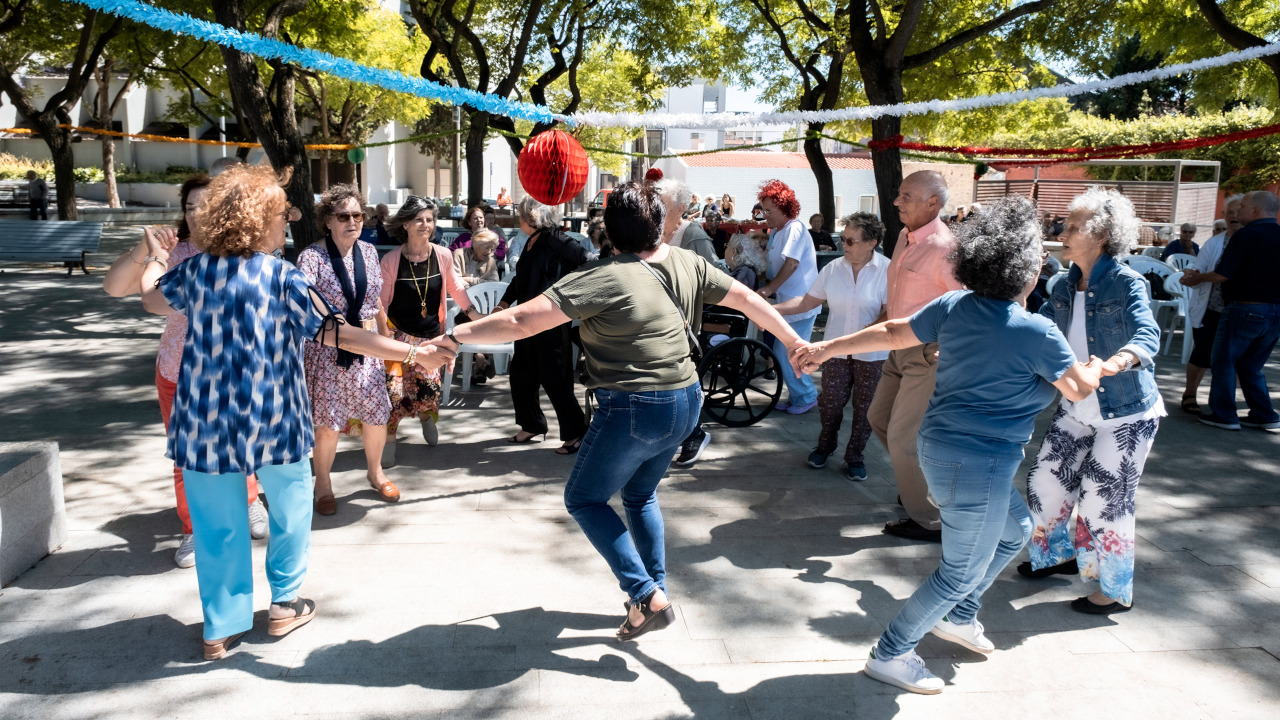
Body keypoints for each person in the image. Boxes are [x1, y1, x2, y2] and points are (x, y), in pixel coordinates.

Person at [432, 181, 807, 641]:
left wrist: (454, 337)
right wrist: (795, 342)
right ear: (659, 224)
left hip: (635, 406)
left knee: (584, 499)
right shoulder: (687, 263)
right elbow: (750, 300)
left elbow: (519, 320)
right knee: (639, 496)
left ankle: (645, 594)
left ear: (609, 229)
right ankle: (652, 594)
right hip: (687, 402)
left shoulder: (602, 275)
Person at [136, 163, 451, 660]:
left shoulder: (193, 273)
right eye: (281, 214)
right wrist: (411, 353)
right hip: (273, 418)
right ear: (257, 217)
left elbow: (152, 299)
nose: (287, 223)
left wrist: (156, 259)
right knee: (290, 512)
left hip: (203, 423)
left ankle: (219, 627)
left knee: (217, 526)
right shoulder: (280, 276)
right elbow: (339, 333)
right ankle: (284, 604)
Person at [791, 195, 1103, 694]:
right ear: (1022, 270)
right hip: (976, 463)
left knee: (1015, 529)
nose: (1043, 266)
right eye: (1038, 261)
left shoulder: (956, 306)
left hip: (946, 451)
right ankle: (891, 652)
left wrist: (827, 347)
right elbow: (1078, 389)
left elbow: (894, 332)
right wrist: (1098, 367)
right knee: (959, 571)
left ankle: (958, 617)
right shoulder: (1037, 330)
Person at [102, 174, 267, 568]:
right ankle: (195, 529)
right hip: (180, 369)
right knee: (186, 456)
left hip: (233, 368)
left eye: (204, 206)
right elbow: (115, 287)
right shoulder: (174, 251)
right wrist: (148, 249)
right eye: (189, 207)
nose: (196, 214)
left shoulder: (243, 253)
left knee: (239, 441)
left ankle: (248, 500)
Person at [1019, 187, 1164, 616]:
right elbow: (1035, 328)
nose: (1062, 231)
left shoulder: (1126, 281)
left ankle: (1115, 590)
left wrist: (1117, 361)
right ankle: (1057, 555)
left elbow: (1147, 335)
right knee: (1044, 481)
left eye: (1073, 225)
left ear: (1100, 235)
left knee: (1104, 500)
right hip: (1077, 407)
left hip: (1127, 412)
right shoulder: (1063, 285)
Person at [870, 171, 964, 543]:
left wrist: (951, 347)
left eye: (907, 196)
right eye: (899, 194)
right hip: (897, 347)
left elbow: (966, 302)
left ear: (933, 204)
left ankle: (930, 520)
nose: (897, 202)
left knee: (904, 438)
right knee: (878, 420)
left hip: (928, 353)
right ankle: (917, 487)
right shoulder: (903, 237)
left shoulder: (945, 248)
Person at [297, 185, 397, 516]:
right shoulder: (311, 257)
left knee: (376, 415)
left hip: (367, 348)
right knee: (327, 422)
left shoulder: (368, 252)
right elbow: (303, 293)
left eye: (357, 215)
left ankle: (375, 472)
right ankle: (323, 484)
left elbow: (376, 301)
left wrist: (387, 337)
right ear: (327, 220)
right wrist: (326, 313)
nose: (352, 221)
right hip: (329, 350)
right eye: (343, 216)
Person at [772, 213, 889, 481]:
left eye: (850, 240)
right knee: (830, 403)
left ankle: (855, 457)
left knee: (865, 410)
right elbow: (805, 303)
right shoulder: (833, 269)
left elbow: (889, 313)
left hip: (873, 354)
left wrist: (862, 336)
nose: (843, 244)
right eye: (843, 238)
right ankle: (826, 446)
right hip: (835, 352)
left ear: (871, 242)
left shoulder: (887, 269)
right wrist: (768, 308)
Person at [380, 196, 484, 466]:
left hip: (430, 337)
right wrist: (382, 336)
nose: (425, 225)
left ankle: (426, 418)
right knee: (394, 393)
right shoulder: (391, 260)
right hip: (397, 337)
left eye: (429, 220)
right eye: (419, 220)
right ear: (406, 224)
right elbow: (381, 303)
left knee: (426, 392)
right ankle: (389, 442)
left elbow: (457, 289)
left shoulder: (443, 255)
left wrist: (477, 318)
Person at [499, 197, 590, 453]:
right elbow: (520, 279)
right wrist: (504, 303)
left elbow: (588, 261)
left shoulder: (555, 239)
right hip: (527, 319)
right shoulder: (531, 241)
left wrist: (564, 293)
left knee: (555, 378)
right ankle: (532, 424)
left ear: (532, 217)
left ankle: (576, 433)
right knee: (521, 374)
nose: (518, 220)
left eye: (521, 215)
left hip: (550, 320)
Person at [1195, 191, 1280, 431]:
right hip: (1275, 313)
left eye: (1242, 206)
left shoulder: (1246, 235)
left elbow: (1223, 274)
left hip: (1245, 309)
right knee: (1251, 366)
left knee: (1224, 362)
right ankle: (1264, 413)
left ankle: (1224, 414)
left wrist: (1196, 279)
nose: (1237, 212)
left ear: (1255, 210)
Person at [755, 179, 821, 415]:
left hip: (801, 303)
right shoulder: (779, 231)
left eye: (769, 210)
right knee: (786, 352)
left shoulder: (794, 228)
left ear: (784, 208)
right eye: (763, 209)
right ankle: (798, 396)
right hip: (788, 302)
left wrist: (769, 288)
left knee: (790, 352)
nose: (765, 215)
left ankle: (806, 396)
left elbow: (791, 264)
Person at [1178, 196, 1243, 413]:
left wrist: (1201, 277)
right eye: (1229, 213)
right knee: (1202, 353)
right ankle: (1190, 394)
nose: (1233, 216)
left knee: (1233, 357)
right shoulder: (1215, 242)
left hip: (1240, 308)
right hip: (1212, 308)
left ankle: (1225, 405)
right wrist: (1191, 275)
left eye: (1237, 211)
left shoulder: (1251, 239)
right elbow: (1199, 267)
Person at [657, 179, 726, 271]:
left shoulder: (695, 235)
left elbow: (717, 273)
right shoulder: (654, 232)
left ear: (680, 209)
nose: (656, 211)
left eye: (662, 207)